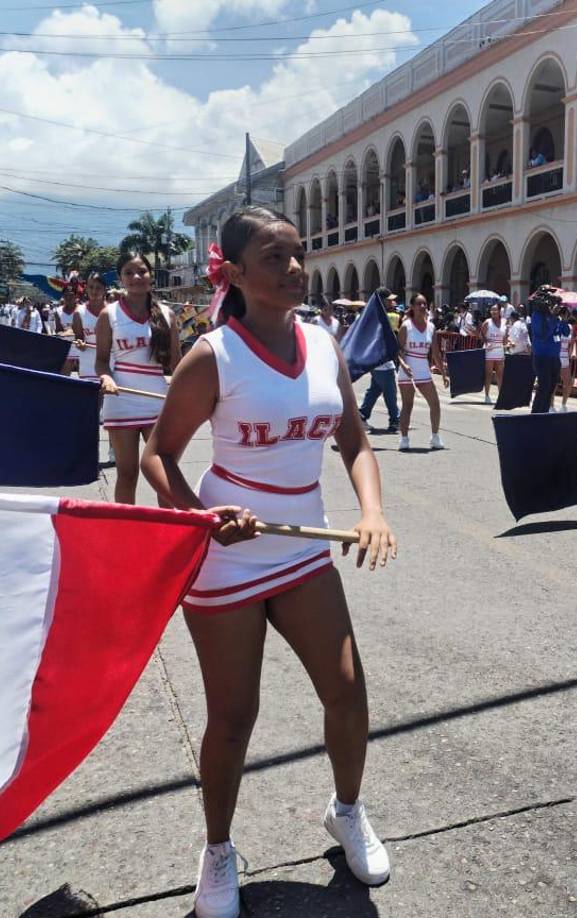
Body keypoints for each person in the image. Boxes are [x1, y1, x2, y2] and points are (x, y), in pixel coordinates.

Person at [140, 206, 396, 916]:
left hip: (303, 543)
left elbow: (355, 442)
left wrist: (371, 511)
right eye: (275, 257)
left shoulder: (323, 342)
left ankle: (346, 811)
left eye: (298, 255)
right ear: (235, 271)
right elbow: (160, 453)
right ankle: (218, 851)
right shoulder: (213, 355)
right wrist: (198, 515)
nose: (293, 269)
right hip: (227, 552)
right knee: (232, 716)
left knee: (347, 690)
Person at [96, 251, 180, 504]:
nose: (136, 277)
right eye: (128, 272)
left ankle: (167, 531)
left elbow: (177, 364)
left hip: (157, 400)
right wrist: (106, 379)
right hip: (121, 400)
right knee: (128, 473)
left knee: (164, 473)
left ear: (151, 276)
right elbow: (101, 360)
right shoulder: (108, 315)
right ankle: (125, 532)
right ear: (121, 278)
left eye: (142, 271)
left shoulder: (167, 314)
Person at [396, 293, 446, 450]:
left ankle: (435, 437)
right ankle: (404, 439)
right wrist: (403, 364)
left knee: (435, 404)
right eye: (419, 304)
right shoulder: (406, 326)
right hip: (407, 369)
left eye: (425, 304)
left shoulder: (431, 327)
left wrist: (444, 373)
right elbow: (398, 350)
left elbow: (436, 354)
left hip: (423, 368)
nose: (423, 307)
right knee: (407, 405)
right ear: (412, 307)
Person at [358, 293, 400, 433]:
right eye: (390, 300)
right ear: (383, 301)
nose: (393, 302)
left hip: (377, 363)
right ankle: (395, 421)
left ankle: (362, 415)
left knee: (374, 390)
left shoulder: (375, 316)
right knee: (390, 394)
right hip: (383, 363)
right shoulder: (382, 318)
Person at [71, 273, 107, 381]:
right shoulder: (79, 312)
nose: (94, 291)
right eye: (91, 287)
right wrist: (79, 344)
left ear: (104, 290)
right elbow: (78, 339)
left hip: (109, 364)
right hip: (88, 365)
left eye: (98, 288)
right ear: (86, 289)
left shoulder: (113, 311)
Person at [529, 295, 561, 414]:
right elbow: (542, 335)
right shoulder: (537, 315)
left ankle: (544, 413)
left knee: (551, 387)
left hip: (554, 357)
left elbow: (561, 333)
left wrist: (562, 320)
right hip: (542, 357)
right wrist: (552, 317)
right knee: (544, 386)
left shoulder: (555, 317)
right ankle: (536, 414)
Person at [481, 303, 507, 404]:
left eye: (495, 310)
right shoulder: (487, 322)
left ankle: (500, 397)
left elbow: (505, 337)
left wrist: (507, 340)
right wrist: (486, 342)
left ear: (500, 311)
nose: (493, 312)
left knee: (500, 375)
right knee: (488, 374)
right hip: (489, 352)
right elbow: (481, 335)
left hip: (500, 351)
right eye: (492, 310)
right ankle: (487, 396)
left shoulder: (505, 322)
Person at [555, 303, 575, 412]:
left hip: (565, 357)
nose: (564, 316)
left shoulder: (570, 327)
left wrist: (572, 353)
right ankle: (551, 405)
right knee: (553, 383)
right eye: (562, 313)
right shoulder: (556, 325)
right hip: (555, 356)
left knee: (568, 383)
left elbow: (572, 342)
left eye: (566, 314)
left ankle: (563, 404)